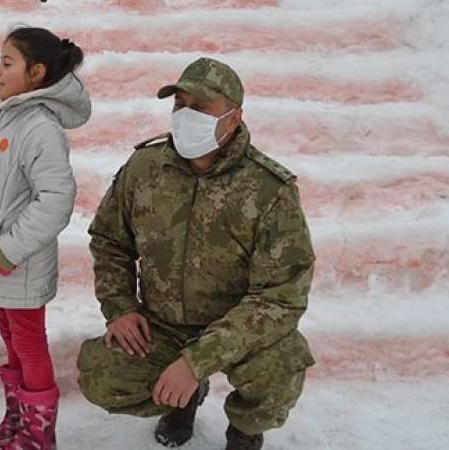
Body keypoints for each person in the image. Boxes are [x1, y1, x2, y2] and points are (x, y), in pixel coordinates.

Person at [76, 57, 315, 450]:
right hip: (164, 323)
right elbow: (109, 240)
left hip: (239, 330)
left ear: (233, 117)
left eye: (200, 107)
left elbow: (281, 296)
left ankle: (244, 431)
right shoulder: (144, 168)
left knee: (281, 366)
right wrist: (120, 307)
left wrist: (196, 362)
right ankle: (180, 402)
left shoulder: (270, 190)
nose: (186, 115)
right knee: (103, 375)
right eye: (180, 104)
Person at [0, 26, 92, 450]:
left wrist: (9, 249)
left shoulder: (40, 127)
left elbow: (56, 199)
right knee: (12, 338)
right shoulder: (6, 115)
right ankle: (17, 421)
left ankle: (38, 436)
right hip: (1, 259)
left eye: (7, 63)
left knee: (28, 342)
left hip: (18, 260)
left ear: (36, 72)